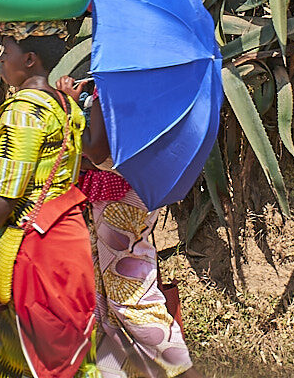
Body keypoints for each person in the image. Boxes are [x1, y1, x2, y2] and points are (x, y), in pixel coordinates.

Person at [0, 21, 99, 378]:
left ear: (30, 59)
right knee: (59, 356)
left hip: (29, 251)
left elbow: (7, 196)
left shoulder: (25, 111)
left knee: (6, 355)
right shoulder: (65, 105)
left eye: (6, 53)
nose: (0, 61)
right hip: (67, 243)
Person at [56, 76, 205, 378]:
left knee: (129, 298)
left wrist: (72, 105)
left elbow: (99, 152)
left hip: (121, 197)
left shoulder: (113, 80)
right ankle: (110, 372)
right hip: (130, 190)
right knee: (104, 298)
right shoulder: (148, 79)